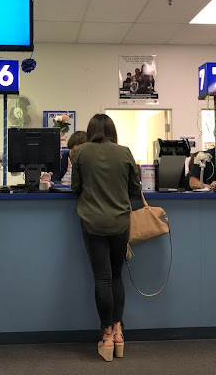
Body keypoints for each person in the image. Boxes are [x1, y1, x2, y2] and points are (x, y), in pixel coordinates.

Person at [71, 114, 141, 362]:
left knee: (102, 278)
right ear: (112, 131)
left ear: (90, 131)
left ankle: (107, 335)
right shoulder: (125, 152)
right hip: (120, 222)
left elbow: (75, 187)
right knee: (116, 277)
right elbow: (135, 189)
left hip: (92, 222)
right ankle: (119, 332)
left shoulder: (81, 152)